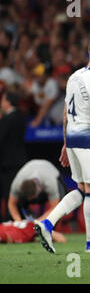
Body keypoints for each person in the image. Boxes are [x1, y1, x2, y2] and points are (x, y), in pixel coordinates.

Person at [34, 39, 90, 254]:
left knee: (82, 189)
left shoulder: (74, 77)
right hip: (89, 141)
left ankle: (47, 223)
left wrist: (65, 143)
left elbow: (65, 114)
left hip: (72, 139)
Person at [0, 90, 26, 222]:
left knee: (8, 193)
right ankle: (17, 218)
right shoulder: (20, 117)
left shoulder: (7, 119)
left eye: (3, 100)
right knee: (16, 193)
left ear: (8, 102)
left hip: (7, 164)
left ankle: (8, 221)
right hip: (20, 162)